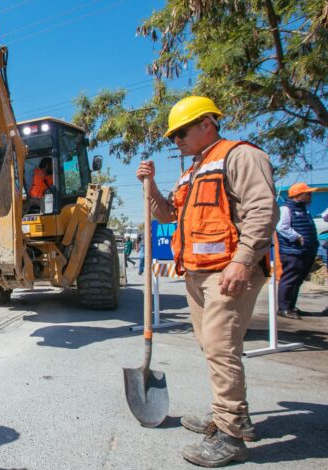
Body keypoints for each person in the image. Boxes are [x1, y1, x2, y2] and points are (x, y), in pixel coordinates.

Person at [136, 96, 277, 467]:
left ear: (206, 124)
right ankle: (231, 416)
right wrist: (150, 186)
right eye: (172, 138)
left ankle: (231, 436)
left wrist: (243, 260)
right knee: (214, 348)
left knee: (220, 349)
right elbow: (168, 214)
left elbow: (262, 210)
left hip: (228, 272)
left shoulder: (240, 156)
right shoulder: (191, 171)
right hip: (196, 273)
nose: (176, 141)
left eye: (180, 133)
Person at [275, 182, 319, 319]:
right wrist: (297, 236)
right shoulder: (286, 209)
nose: (310, 196)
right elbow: (281, 227)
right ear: (298, 195)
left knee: (298, 280)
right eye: (307, 194)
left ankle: (291, 306)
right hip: (292, 252)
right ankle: (283, 308)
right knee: (289, 280)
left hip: (305, 251)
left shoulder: (304, 209)